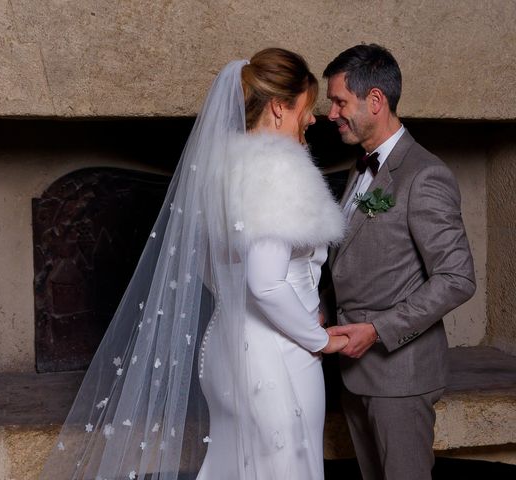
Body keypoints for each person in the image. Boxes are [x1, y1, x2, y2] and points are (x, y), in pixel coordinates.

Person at [40, 48, 346, 480]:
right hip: (276, 354)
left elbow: (208, 268)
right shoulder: (280, 170)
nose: (312, 119)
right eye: (306, 107)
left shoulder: (217, 168)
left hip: (223, 347)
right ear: (279, 108)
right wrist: (319, 339)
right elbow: (265, 283)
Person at [323, 44, 476, 480]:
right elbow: (358, 256)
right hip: (355, 371)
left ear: (375, 100)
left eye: (339, 102)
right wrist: (325, 304)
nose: (331, 114)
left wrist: (376, 331)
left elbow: (457, 278)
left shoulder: (425, 175)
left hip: (400, 378)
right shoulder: (361, 167)